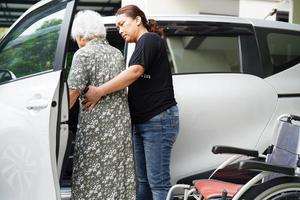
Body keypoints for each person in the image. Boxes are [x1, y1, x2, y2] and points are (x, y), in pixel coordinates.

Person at [83, 5, 179, 200]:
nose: (120, 30)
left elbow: (134, 72)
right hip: (144, 122)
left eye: (122, 24)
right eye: (117, 27)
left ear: (137, 20)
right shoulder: (141, 44)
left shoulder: (149, 39)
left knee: (158, 184)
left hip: (158, 120)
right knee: (143, 182)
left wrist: (99, 91)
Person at [67, 10, 135, 200]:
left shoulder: (83, 55)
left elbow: (73, 92)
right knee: (115, 174)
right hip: (119, 125)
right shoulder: (117, 54)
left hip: (95, 128)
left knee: (91, 175)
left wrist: (56, 115)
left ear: (81, 35)